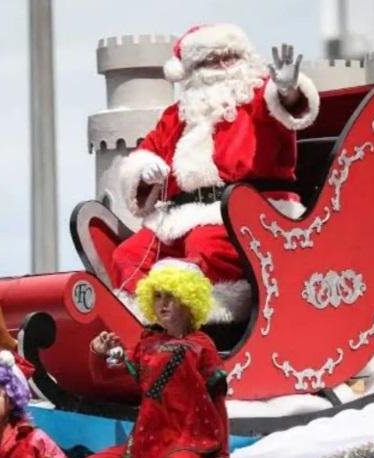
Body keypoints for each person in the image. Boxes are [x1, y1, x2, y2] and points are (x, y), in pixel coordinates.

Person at [112, 23, 319, 323]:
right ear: (192, 71)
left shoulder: (259, 96)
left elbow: (290, 110)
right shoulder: (178, 115)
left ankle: (207, 319)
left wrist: (289, 91)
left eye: (230, 58)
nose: (222, 66)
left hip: (248, 212)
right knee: (129, 255)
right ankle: (146, 324)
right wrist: (144, 171)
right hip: (179, 217)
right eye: (211, 62)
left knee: (205, 248)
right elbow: (148, 150)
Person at [83, 258, 232, 458]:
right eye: (158, 296)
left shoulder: (202, 345)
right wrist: (99, 353)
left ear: (188, 300)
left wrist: (223, 454)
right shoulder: (147, 343)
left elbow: (218, 400)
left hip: (190, 441)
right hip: (149, 442)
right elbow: (104, 376)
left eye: (170, 296)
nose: (163, 304)